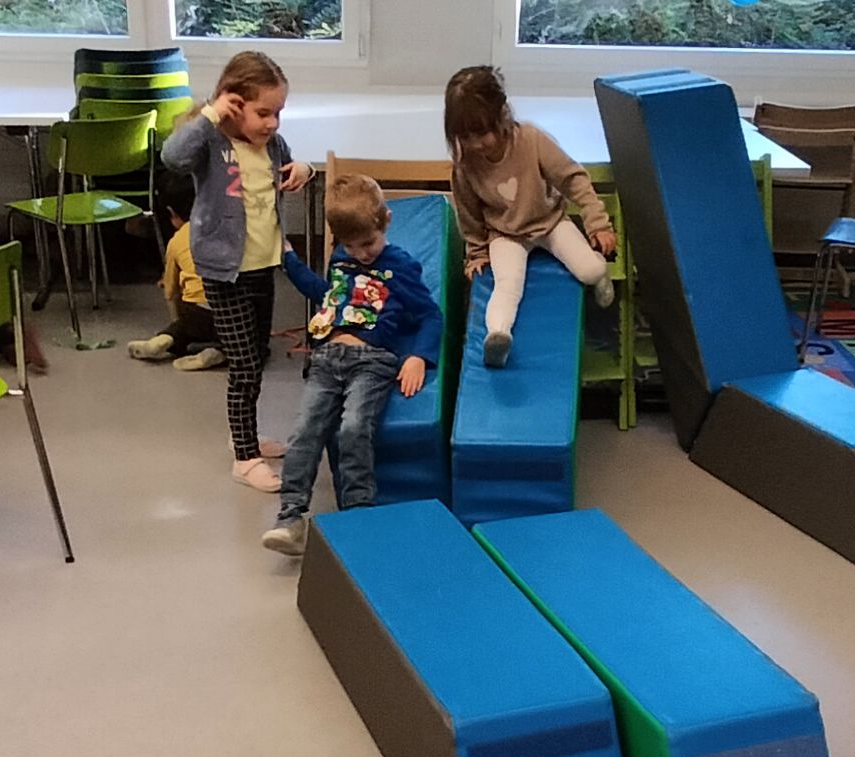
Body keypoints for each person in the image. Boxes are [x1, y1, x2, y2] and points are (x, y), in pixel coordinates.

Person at [262, 174, 439, 556]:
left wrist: (418, 357)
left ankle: (359, 514)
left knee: (353, 428)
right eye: (351, 245)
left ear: (386, 222)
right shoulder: (341, 259)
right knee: (305, 431)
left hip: (372, 361)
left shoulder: (400, 265)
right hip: (326, 359)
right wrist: (290, 261)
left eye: (368, 243)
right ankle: (290, 517)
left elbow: (429, 314)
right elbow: (328, 296)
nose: (361, 254)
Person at [158, 50, 306, 489]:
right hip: (225, 271)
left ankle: (245, 437)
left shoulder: (273, 145)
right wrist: (210, 114)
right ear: (234, 104)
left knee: (256, 358)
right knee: (243, 366)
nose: (273, 123)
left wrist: (304, 170)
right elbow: (172, 156)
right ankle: (244, 459)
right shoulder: (211, 143)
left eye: (278, 113)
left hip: (263, 265)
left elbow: (287, 169)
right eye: (263, 113)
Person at [442, 64, 614, 370]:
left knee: (589, 270)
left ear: (502, 115)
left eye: (482, 133)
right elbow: (469, 214)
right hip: (505, 234)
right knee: (507, 285)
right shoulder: (465, 166)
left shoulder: (532, 141)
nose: (475, 144)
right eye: (465, 136)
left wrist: (597, 223)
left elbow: (574, 179)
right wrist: (477, 253)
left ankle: (601, 275)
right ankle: (498, 336)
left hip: (550, 223)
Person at [126, 213, 219, 370]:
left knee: (186, 327)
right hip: (230, 308)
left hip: (196, 310)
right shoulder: (225, 226)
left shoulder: (177, 240)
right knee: (248, 340)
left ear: (174, 215)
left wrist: (178, 322)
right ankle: (219, 352)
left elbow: (170, 292)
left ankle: (163, 339)